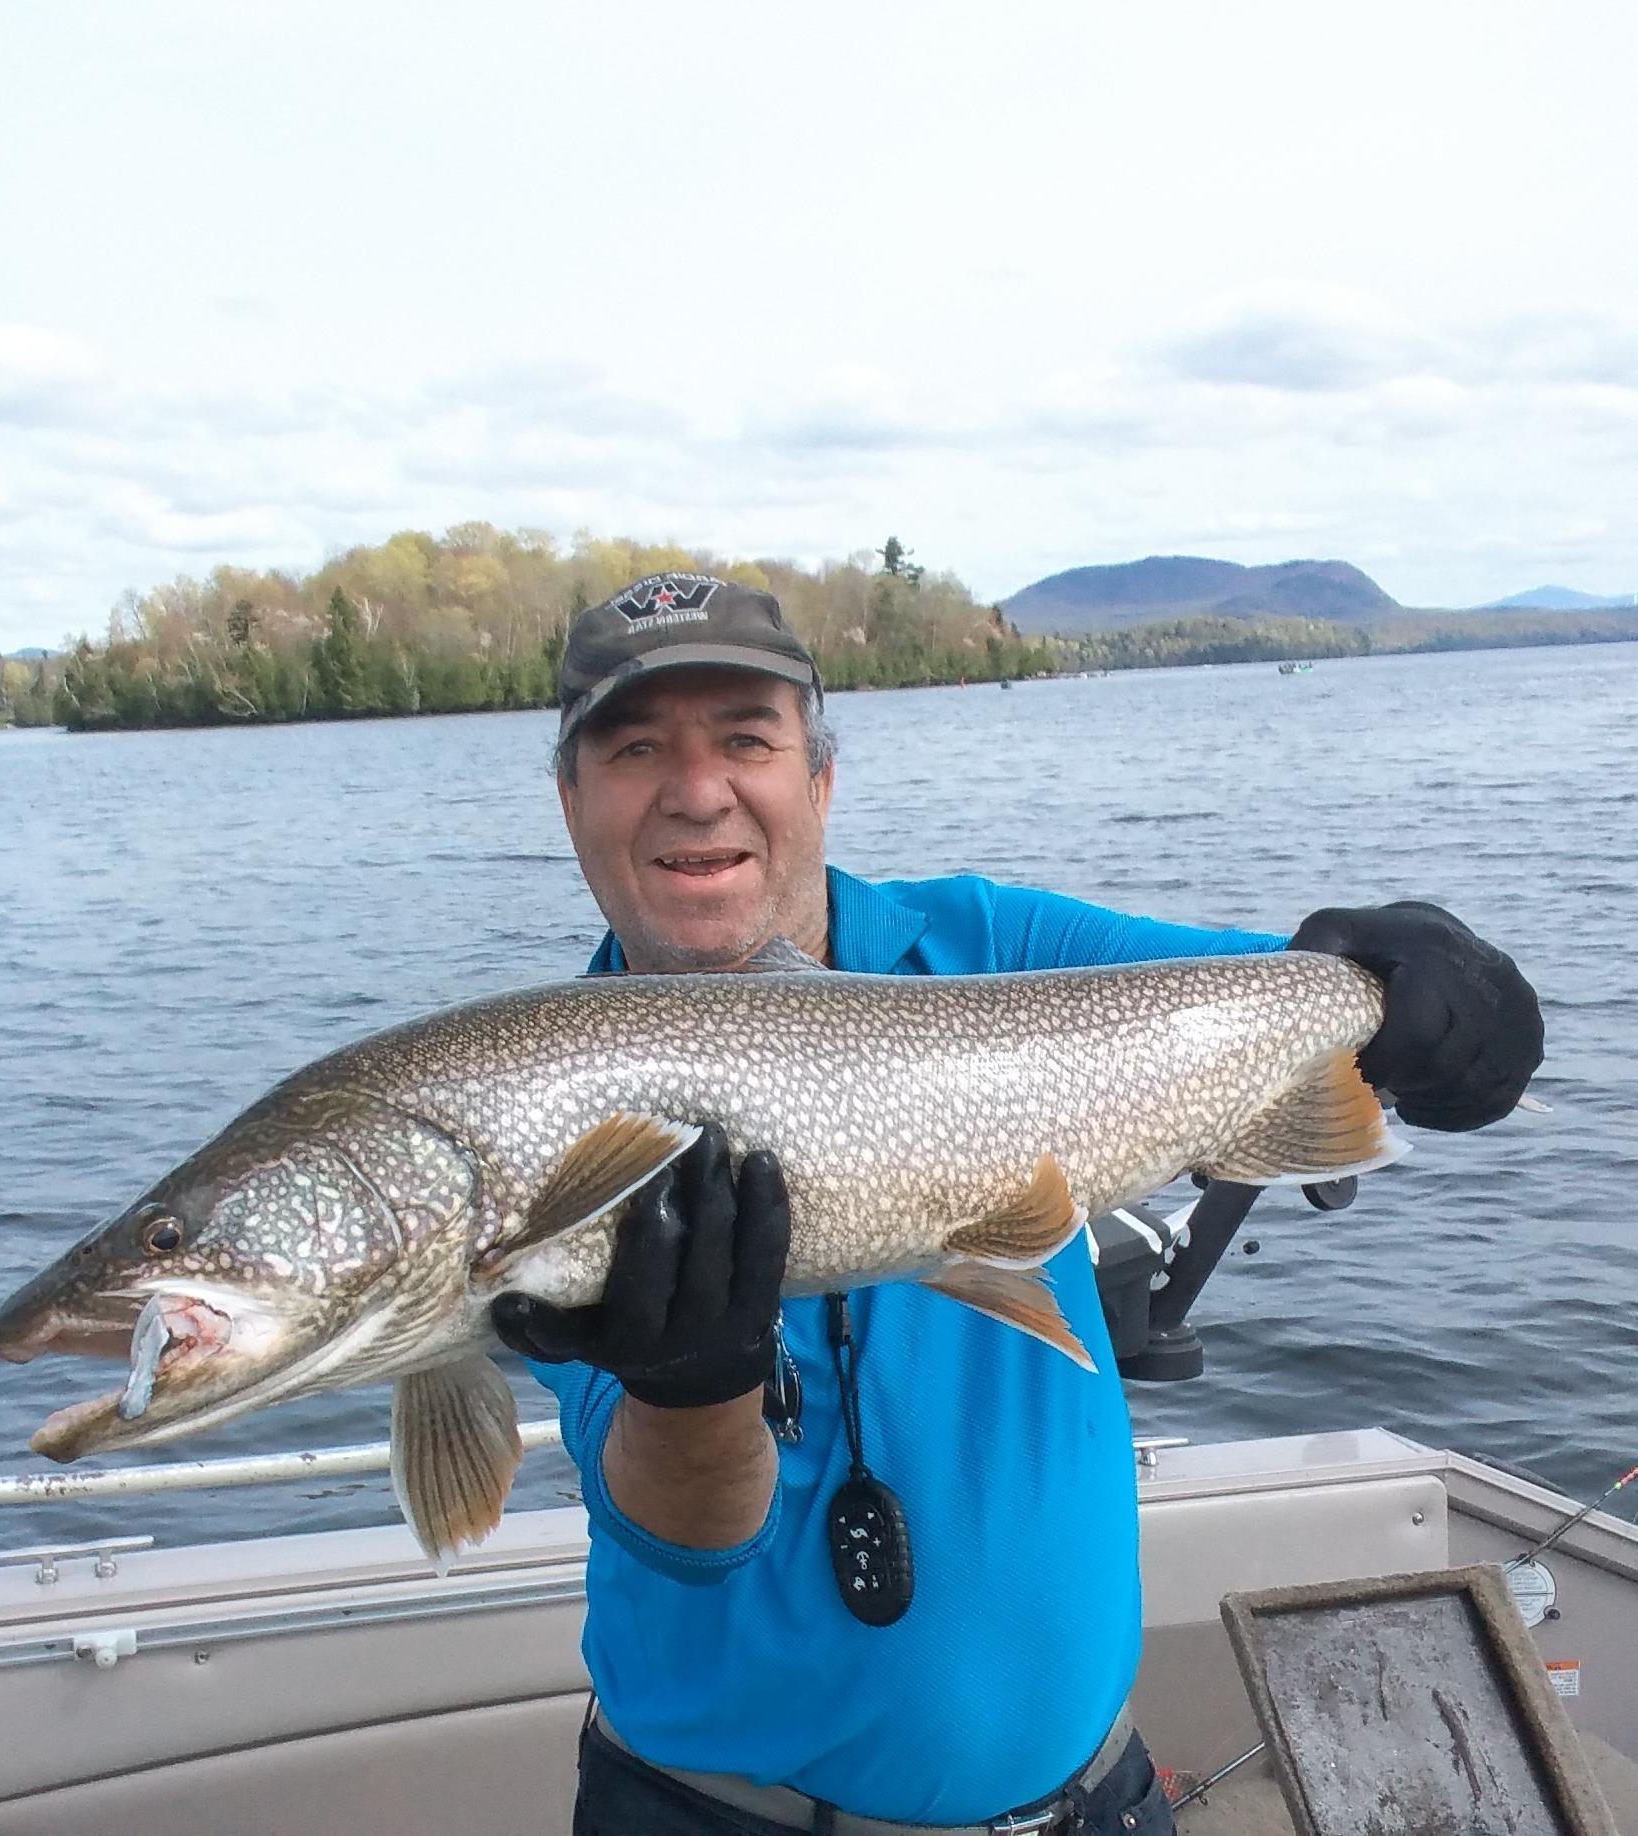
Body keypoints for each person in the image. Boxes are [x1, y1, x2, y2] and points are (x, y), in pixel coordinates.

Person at [492, 572, 1544, 1836]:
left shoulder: (995, 947)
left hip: (1093, 1802)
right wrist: (689, 1391)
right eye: (636, 747)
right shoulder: (533, 1100)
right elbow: (694, 1534)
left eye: (746, 739)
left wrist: (1431, 988)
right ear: (570, 800)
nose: (698, 788)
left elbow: (1308, 1007)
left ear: (819, 778)